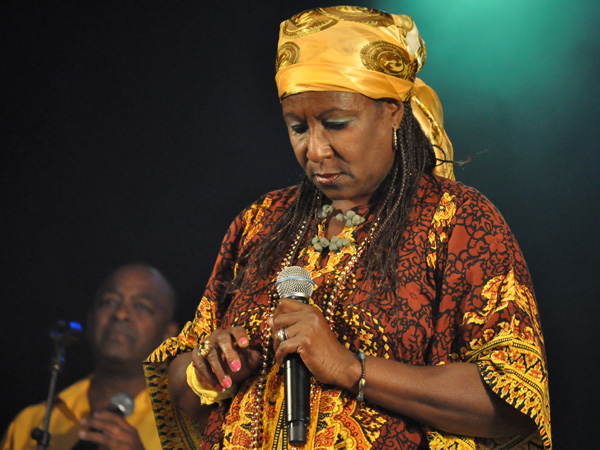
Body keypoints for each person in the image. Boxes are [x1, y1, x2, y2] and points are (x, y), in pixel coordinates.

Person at [144, 6, 551, 450]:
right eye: (297, 127)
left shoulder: (456, 219)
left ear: (393, 113)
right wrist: (211, 372)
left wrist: (350, 367)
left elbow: (512, 398)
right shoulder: (260, 222)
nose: (315, 150)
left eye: (336, 124)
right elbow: (179, 392)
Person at [2, 264, 179, 450]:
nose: (120, 314)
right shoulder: (32, 422)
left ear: (169, 334)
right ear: (90, 320)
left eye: (141, 306)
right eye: (109, 301)